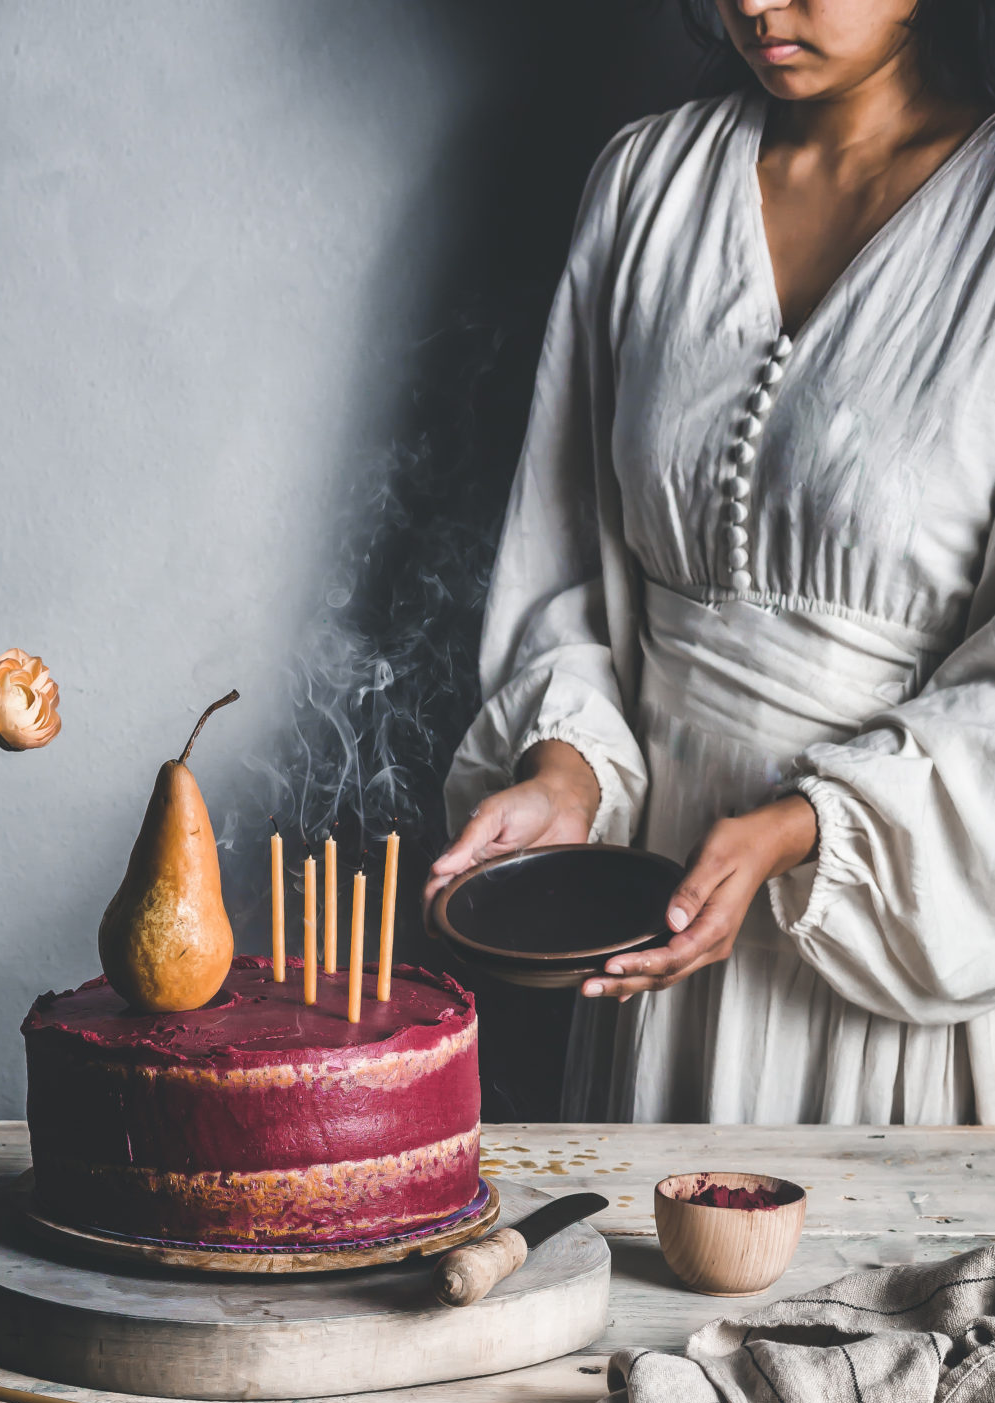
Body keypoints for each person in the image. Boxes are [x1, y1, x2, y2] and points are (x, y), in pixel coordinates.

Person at [425, 0, 995, 1122]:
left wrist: (807, 828)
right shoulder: (645, 186)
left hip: (892, 924)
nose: (751, 1)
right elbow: (564, 569)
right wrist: (564, 774)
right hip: (651, 928)